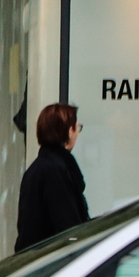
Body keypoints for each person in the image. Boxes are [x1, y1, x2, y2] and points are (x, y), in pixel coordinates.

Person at [16, 102, 88, 252]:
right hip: (50, 264)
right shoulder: (55, 170)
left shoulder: (39, 168)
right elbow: (67, 226)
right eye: (77, 128)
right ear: (69, 132)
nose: (77, 133)